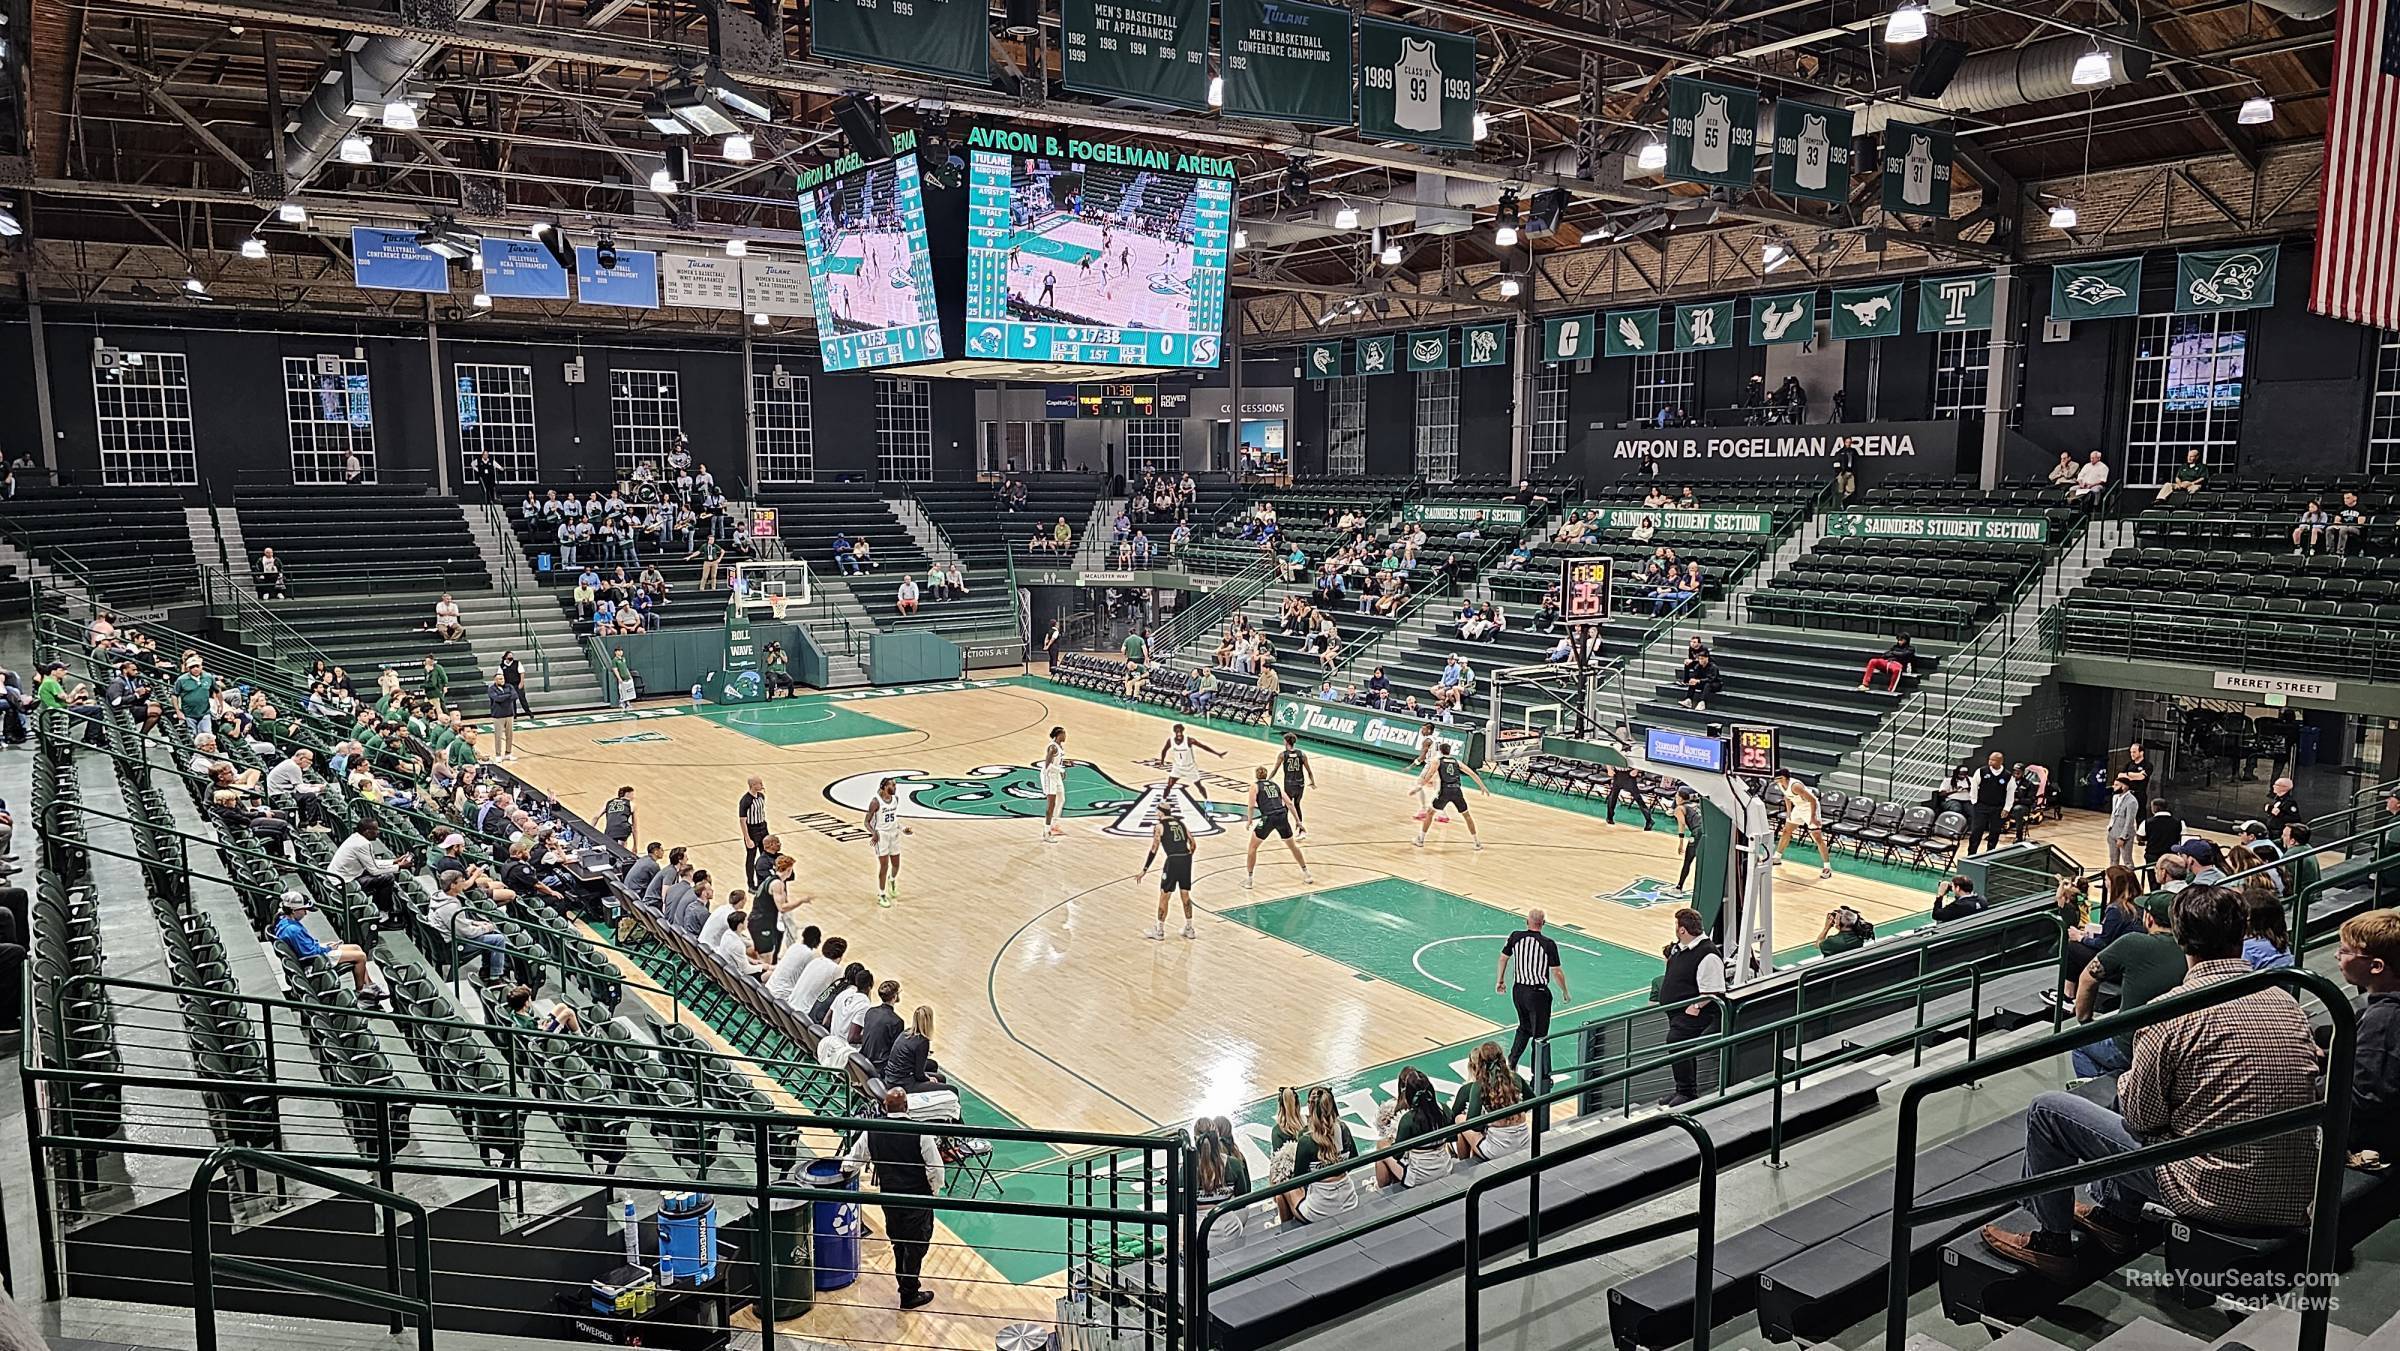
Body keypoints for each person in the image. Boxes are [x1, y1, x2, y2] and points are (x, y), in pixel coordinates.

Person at [1981, 886, 2321, 1278]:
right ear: (2243, 934)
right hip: (2295, 1192)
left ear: (2179, 937)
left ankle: (2051, 1242)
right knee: (2163, 1107)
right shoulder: (2285, 1000)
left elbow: (2141, 1120)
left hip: (2217, 1193)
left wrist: (2135, 1086)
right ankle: (2115, 1218)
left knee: (2049, 1110)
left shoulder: (2170, 1014)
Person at [840, 1087, 941, 1310]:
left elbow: (853, 1159)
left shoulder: (873, 1130)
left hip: (890, 1197)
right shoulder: (920, 1132)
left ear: (885, 1107)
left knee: (899, 1242)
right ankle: (909, 1292)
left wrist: (844, 1169)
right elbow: (935, 1168)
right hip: (917, 1198)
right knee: (917, 1245)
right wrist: (933, 1193)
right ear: (907, 1107)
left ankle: (906, 1286)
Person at [2336, 909, 2400, 1164]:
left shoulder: (2384, 1019)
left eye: (2345, 952)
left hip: (2372, 1142)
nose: (2337, 956)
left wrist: (2314, 1082)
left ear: (2376, 966)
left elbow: (2364, 1098)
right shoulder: (2380, 1012)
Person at [1659, 906, 1724, 1107]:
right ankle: (1682, 1089)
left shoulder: (1707, 954)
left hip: (1696, 1013)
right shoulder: (1684, 948)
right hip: (1678, 1011)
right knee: (1679, 1046)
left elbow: (1714, 989)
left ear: (1682, 930)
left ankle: (1687, 1092)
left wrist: (1696, 1005)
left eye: (1676, 925)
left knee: (1676, 1041)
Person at [272, 894, 384, 1002]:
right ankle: (361, 991)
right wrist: (328, 949)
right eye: (304, 909)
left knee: (356, 948)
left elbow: (307, 946)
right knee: (361, 957)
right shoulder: (292, 930)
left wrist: (326, 946)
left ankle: (369, 984)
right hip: (315, 960)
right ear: (293, 911)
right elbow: (309, 953)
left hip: (315, 951)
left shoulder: (283, 919)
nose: (306, 913)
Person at [1273, 1087, 1360, 1226]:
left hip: (1319, 1211)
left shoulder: (1306, 1140)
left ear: (1310, 1107)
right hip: (1350, 1201)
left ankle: (1286, 1232)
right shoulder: (1343, 1129)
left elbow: (1298, 1180)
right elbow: (1354, 1159)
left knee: (1284, 1186)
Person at [1497, 910, 1568, 1075]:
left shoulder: (1515, 936)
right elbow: (1556, 972)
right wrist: (1564, 991)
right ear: (1543, 923)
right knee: (1540, 1036)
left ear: (1526, 922)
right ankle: (1539, 1074)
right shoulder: (1548, 943)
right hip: (1537, 994)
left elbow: (1503, 958)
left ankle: (1512, 1061)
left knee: (1524, 1027)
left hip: (1519, 991)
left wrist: (1500, 980)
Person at [1373, 1068, 1455, 1191]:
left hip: (1418, 1177)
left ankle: (1379, 1189)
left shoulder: (1408, 1119)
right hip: (1445, 1168)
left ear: (1409, 1095)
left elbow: (1397, 1155)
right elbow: (1453, 1137)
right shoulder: (1444, 1109)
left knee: (1381, 1147)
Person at [1450, 1042, 1531, 1161]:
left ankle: (1463, 1165)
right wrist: (1513, 1115)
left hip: (1498, 1150)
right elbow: (1532, 1100)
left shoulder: (1479, 1086)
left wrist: (1491, 1122)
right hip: (1524, 1142)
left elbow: (1474, 1125)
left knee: (1459, 1119)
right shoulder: (1515, 1077)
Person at [329, 816, 413, 930]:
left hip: (343, 876)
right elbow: (374, 870)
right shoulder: (362, 844)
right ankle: (383, 917)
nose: (378, 832)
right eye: (376, 830)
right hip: (344, 882)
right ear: (368, 832)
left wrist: (394, 861)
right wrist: (399, 866)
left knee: (383, 877)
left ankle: (382, 911)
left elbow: (371, 863)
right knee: (387, 879)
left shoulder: (356, 838)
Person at [430, 869, 512, 983]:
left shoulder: (439, 897)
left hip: (446, 941)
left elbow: (457, 923)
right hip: (454, 947)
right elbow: (467, 933)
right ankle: (495, 978)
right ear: (453, 885)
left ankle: (486, 970)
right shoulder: (450, 907)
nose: (464, 883)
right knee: (498, 939)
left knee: (490, 934)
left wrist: (475, 923)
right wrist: (485, 928)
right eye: (461, 881)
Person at [1242, 765, 1314, 889]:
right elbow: (1290, 803)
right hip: (1282, 816)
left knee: (1252, 848)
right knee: (1293, 847)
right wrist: (1298, 821)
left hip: (1268, 817)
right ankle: (1307, 873)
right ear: (1266, 775)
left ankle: (1249, 880)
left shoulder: (1254, 786)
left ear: (1256, 775)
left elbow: (1251, 805)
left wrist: (1249, 820)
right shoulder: (1275, 785)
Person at [1139, 796, 1201, 941]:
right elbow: (1193, 843)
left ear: (1160, 812)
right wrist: (1187, 857)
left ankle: (1159, 931)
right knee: (1185, 894)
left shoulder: (1159, 826)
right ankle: (1189, 928)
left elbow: (1154, 849)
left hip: (1173, 860)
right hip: (1186, 859)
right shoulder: (1181, 823)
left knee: (1164, 894)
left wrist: (1145, 869)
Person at [1414, 744, 1488, 850]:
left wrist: (1420, 785)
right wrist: (1482, 786)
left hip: (1445, 791)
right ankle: (1476, 843)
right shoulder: (1457, 762)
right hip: (1457, 791)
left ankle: (1420, 840)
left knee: (1430, 813)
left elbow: (1430, 774)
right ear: (1449, 751)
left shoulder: (1438, 761)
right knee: (1467, 816)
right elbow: (1472, 773)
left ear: (1440, 751)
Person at [1771, 769, 1835, 879]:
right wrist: (1789, 812)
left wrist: (1813, 817)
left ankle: (1827, 867)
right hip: (1799, 807)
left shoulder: (1795, 786)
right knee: (1786, 831)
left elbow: (1813, 800)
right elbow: (1787, 797)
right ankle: (1777, 857)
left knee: (1817, 837)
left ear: (1783, 777)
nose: (1774, 779)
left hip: (1810, 807)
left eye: (1777, 777)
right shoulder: (1781, 784)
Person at [866, 777, 911, 906]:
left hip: (894, 834)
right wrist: (874, 833)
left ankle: (891, 880)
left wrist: (903, 829)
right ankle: (881, 894)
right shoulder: (875, 802)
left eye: (895, 785)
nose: (895, 788)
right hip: (882, 836)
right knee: (884, 866)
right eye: (892, 785)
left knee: (896, 864)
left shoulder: (896, 799)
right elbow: (866, 822)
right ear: (885, 787)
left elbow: (894, 820)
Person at [880, 1004, 942, 1093]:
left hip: (891, 1077)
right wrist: (928, 1079)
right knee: (951, 1089)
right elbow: (919, 1075)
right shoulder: (923, 1042)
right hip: (902, 1083)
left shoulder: (906, 1032)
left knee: (937, 1075)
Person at [1157, 723, 1227, 800]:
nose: (1179, 733)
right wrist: (1162, 761)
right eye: (1177, 732)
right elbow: (1164, 750)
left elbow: (1203, 746)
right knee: (1169, 785)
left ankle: (1207, 802)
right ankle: (1163, 801)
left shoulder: (1189, 740)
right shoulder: (1170, 741)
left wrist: (1217, 753)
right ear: (1174, 732)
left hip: (1190, 768)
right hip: (1178, 768)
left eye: (1180, 731)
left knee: (1199, 786)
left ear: (1183, 731)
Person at [1970, 750, 2013, 853]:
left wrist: (2007, 808)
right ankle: (1971, 853)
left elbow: (2010, 793)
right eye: (1990, 759)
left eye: (1993, 760)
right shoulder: (1981, 771)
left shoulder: (2007, 775)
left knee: (1995, 832)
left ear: (2000, 761)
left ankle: (1990, 852)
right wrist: (1974, 801)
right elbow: (1974, 786)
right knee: (1977, 831)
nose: (1990, 762)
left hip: (1997, 808)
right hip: (1981, 806)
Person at [1277, 732, 1315, 839]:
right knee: (1297, 804)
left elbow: (1275, 770)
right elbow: (1309, 771)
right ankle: (1301, 830)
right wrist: (1312, 781)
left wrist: (1268, 779)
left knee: (1287, 806)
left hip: (1289, 784)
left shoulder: (1282, 755)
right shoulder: (1302, 754)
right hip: (1300, 784)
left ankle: (1285, 831)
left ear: (1286, 741)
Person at [736, 776, 770, 880]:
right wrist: (747, 838)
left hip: (763, 827)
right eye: (759, 783)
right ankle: (751, 883)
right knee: (751, 858)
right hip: (752, 830)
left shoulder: (761, 796)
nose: (762, 785)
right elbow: (742, 820)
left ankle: (763, 879)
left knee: (766, 855)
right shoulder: (745, 800)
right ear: (753, 785)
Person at [2105, 775, 2139, 869]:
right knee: (2113, 859)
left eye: (2116, 785)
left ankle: (2131, 881)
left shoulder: (2132, 801)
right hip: (2113, 831)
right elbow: (2113, 814)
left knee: (2127, 860)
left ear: (2124, 787)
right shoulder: (2115, 797)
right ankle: (2113, 881)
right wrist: (2110, 828)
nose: (2113, 787)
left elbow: (2129, 821)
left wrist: (2123, 837)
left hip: (2124, 833)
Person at [485, 673, 520, 763]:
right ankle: (498, 754)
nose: (502, 680)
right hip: (498, 715)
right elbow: (497, 699)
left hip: (509, 714)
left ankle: (508, 753)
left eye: (503, 678)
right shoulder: (491, 689)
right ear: (495, 680)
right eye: (500, 679)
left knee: (509, 735)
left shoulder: (509, 686)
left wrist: (504, 697)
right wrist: (508, 696)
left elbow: (515, 696)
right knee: (498, 736)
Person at [2141, 798, 2182, 867]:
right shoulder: (2179, 822)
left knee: (2152, 876)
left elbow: (2140, 837)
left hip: (2152, 856)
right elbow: (2182, 837)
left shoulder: (2147, 822)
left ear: (2155, 808)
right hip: (2171, 855)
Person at [599, 785, 636, 850]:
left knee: (611, 848)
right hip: (623, 829)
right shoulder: (630, 803)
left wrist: (590, 829)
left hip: (610, 830)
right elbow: (635, 827)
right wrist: (635, 845)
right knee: (622, 849)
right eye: (632, 795)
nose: (634, 797)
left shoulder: (609, 802)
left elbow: (596, 817)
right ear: (627, 794)